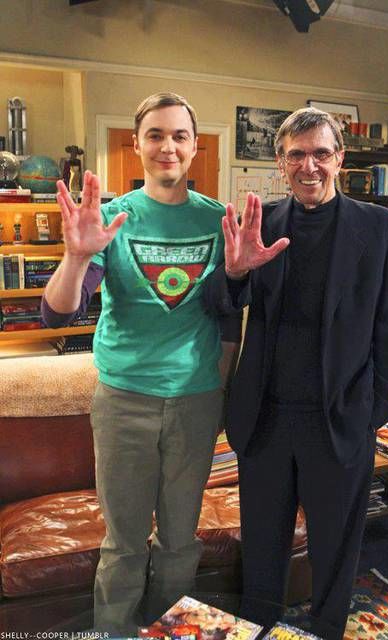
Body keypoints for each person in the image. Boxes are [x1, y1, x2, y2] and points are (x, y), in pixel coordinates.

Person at [204, 107, 388, 640]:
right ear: (280, 162)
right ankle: (258, 625)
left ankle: (326, 629)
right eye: (296, 155)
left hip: (340, 417)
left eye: (321, 153)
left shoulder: (382, 229)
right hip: (264, 417)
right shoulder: (259, 223)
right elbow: (218, 304)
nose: (309, 166)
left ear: (340, 159)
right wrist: (234, 272)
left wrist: (375, 407)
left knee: (335, 547)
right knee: (262, 543)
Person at [42, 92, 241, 635]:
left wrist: (219, 391)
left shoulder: (218, 221)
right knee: (124, 543)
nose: (167, 146)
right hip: (123, 402)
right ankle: (115, 631)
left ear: (194, 147)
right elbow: (58, 312)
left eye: (179, 135)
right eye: (155, 135)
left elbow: (228, 319)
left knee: (179, 540)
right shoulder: (110, 218)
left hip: (196, 401)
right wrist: (76, 255)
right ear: (137, 144)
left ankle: (170, 628)